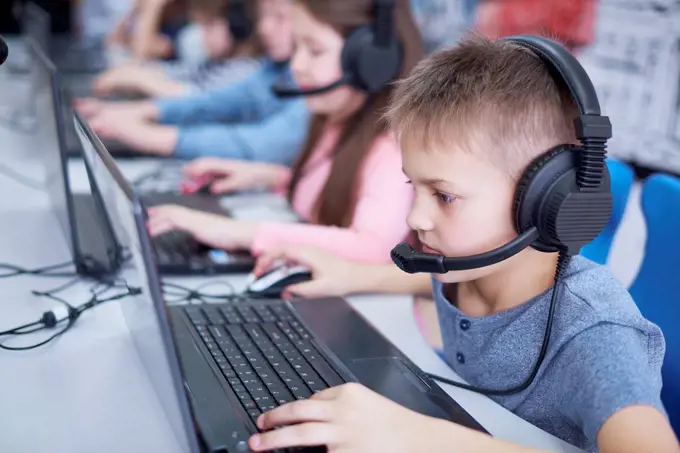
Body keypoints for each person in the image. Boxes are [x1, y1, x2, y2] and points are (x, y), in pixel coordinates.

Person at [243, 35, 679, 453]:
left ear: (545, 201)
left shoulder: (594, 334)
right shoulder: (468, 268)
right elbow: (427, 282)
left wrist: (422, 440)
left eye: (444, 196)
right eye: (413, 186)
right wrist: (351, 274)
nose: (415, 218)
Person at [145, 0, 424, 264]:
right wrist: (271, 178)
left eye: (314, 50)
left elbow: (374, 247)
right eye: (296, 47)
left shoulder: (391, 146)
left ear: (372, 62)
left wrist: (234, 231)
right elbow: (340, 194)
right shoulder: (337, 119)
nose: (296, 65)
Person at [75, 0, 308, 164]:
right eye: (263, 15)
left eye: (281, 17)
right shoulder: (273, 68)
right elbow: (218, 101)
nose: (264, 27)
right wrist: (140, 111)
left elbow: (264, 143)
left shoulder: (261, 68)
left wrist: (148, 135)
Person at [89, 0, 263, 98]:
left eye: (209, 26)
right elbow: (175, 72)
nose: (202, 37)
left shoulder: (246, 70)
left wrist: (138, 78)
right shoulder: (216, 64)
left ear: (237, 25)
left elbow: (198, 98)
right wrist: (131, 73)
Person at [107, 0, 189, 61]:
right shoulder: (149, 19)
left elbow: (143, 53)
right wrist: (135, 9)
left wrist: (152, 7)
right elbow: (113, 42)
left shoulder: (184, 28)